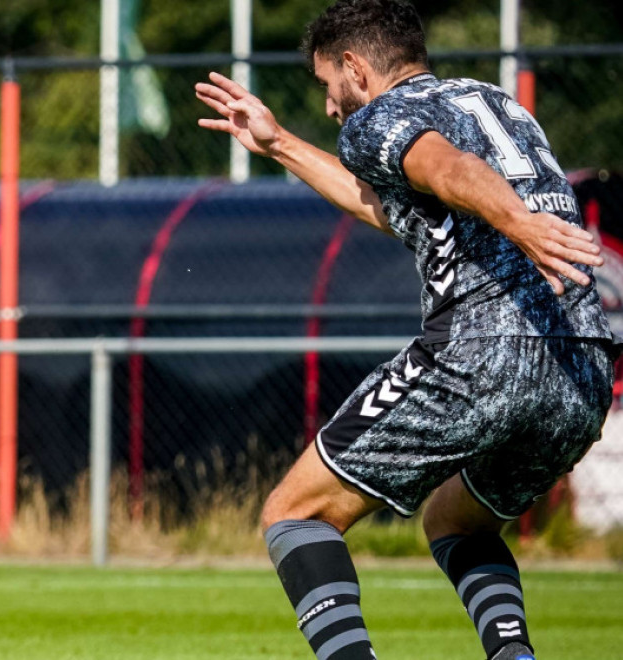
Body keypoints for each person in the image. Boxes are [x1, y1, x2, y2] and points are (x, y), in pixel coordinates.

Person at [195, 1, 613, 659]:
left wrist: (516, 222)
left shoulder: (378, 118)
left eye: (328, 85)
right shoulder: (493, 104)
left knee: (296, 514)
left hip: (485, 348)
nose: (331, 107)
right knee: (454, 520)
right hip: (583, 369)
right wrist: (278, 143)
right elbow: (401, 207)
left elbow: (447, 171)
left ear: (356, 70)